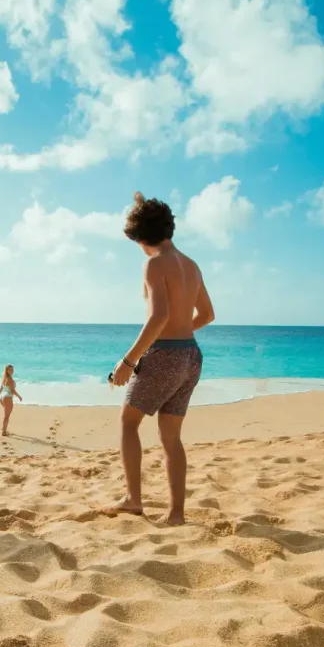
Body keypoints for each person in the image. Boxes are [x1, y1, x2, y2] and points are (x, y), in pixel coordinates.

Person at [108, 193, 215, 526]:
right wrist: (180, 334)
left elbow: (158, 317)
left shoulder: (155, 264)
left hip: (165, 354)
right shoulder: (192, 265)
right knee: (171, 436)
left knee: (128, 422)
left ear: (141, 238)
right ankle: (176, 514)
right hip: (191, 355)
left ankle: (133, 500)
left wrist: (128, 361)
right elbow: (207, 315)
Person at [0, 364, 22, 436]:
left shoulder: (4, 378)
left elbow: (1, 388)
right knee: (7, 416)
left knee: (6, 414)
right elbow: (12, 391)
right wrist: (19, 396)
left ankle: (3, 428)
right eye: (10, 370)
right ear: (7, 370)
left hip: (2, 398)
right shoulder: (10, 380)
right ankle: (4, 432)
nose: (12, 371)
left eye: (12, 369)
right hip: (7, 398)